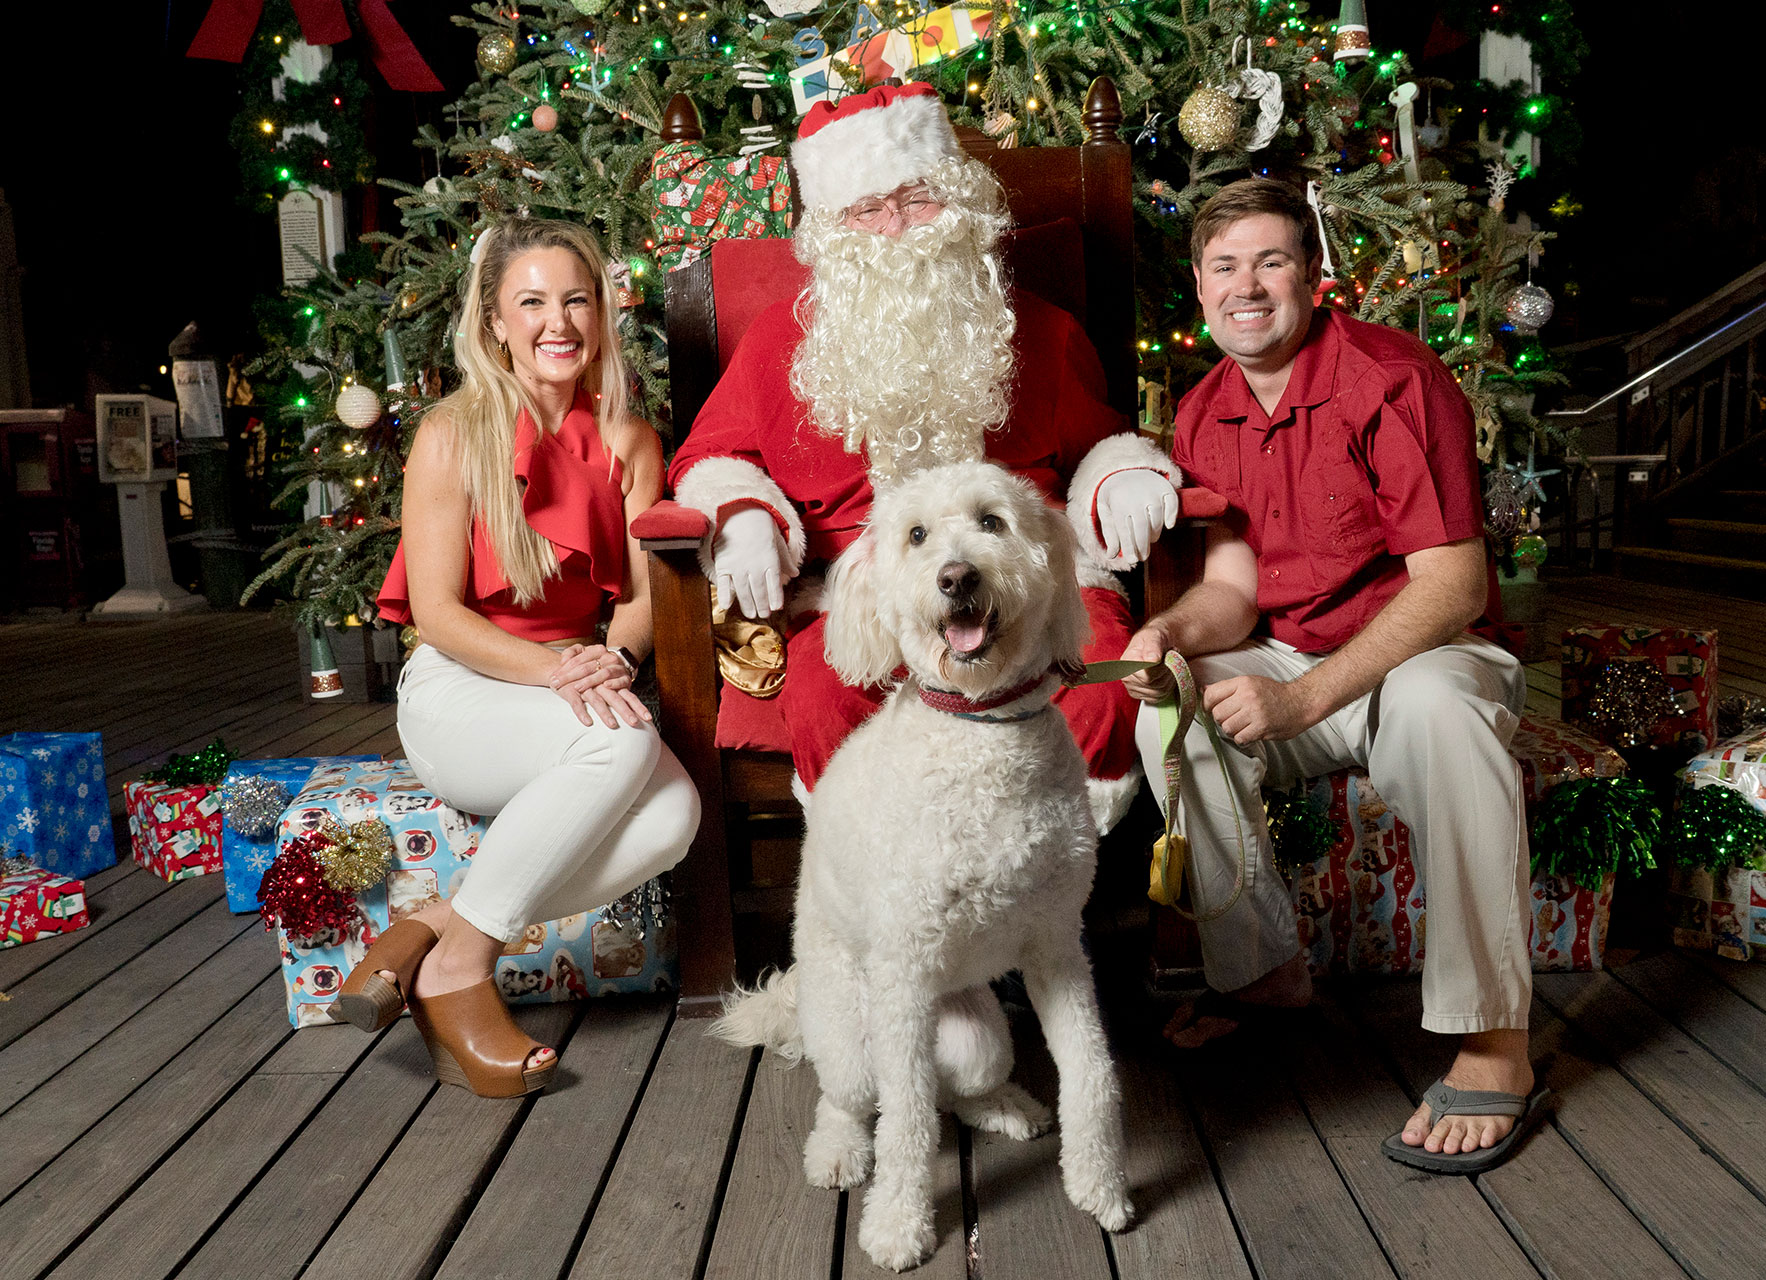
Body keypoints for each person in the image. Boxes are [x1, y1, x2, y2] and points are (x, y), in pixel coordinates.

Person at [1121, 179, 1547, 1173]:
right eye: (1225, 267)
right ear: (1199, 285)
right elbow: (1230, 589)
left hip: (1423, 653)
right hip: (1293, 654)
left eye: (1271, 261)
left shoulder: (1394, 378)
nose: (1248, 286)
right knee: (1171, 715)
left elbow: (1452, 583)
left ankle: (1495, 1039)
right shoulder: (1202, 413)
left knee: (1442, 711)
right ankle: (1265, 966)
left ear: (1314, 276)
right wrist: (1172, 633)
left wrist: (1305, 698)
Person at [666, 82, 1180, 832]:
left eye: (918, 200)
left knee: (1102, 685)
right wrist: (742, 513)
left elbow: (1097, 443)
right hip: (858, 588)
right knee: (821, 697)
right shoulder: (781, 339)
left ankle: (1034, 855)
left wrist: (1123, 475)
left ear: (960, 201)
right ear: (835, 230)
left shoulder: (1038, 330)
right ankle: (885, 867)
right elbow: (714, 453)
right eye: (868, 212)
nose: (896, 229)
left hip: (1024, 579)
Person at [353, 216, 701, 1098]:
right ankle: (461, 974)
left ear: (602, 313)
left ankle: (438, 930)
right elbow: (435, 613)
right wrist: (559, 671)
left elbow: (636, 601)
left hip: (573, 687)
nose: (559, 323)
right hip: (462, 693)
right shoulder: (450, 433)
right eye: (533, 302)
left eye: (576, 300)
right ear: (495, 322)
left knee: (675, 817)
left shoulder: (628, 439)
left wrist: (612, 661)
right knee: (624, 747)